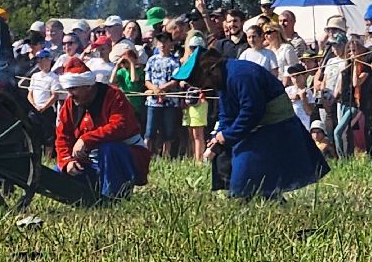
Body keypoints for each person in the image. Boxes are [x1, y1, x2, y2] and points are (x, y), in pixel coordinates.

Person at [174, 45, 329, 199]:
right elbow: (227, 114)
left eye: (203, 81)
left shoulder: (241, 75)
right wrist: (218, 138)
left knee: (246, 183)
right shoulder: (223, 79)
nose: (205, 87)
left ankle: (262, 199)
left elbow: (252, 111)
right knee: (233, 166)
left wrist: (227, 135)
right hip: (256, 128)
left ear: (213, 69)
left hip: (276, 128)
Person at [52, 58, 150, 198]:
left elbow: (119, 126)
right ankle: (84, 197)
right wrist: (67, 161)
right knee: (57, 172)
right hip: (89, 163)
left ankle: (113, 197)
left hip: (124, 158)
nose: (70, 94)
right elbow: (63, 136)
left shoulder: (114, 96)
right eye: (68, 89)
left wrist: (86, 139)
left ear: (88, 86)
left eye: (73, 88)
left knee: (109, 149)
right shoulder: (70, 103)